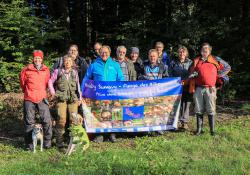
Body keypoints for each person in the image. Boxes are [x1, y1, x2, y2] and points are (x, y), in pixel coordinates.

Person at [81, 45, 124, 142]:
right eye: (102, 52)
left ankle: (112, 134)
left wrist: (119, 88)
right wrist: (82, 90)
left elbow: (121, 78)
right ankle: (99, 134)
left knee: (113, 113)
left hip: (112, 94)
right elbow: (86, 79)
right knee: (99, 113)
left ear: (109, 53)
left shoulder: (115, 65)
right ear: (99, 53)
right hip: (98, 94)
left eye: (106, 53)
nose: (104, 54)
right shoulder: (94, 65)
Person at [189, 43, 231, 136]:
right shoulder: (196, 60)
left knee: (211, 109)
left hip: (210, 88)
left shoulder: (215, 59)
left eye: (206, 50)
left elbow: (228, 67)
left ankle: (212, 131)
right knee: (199, 109)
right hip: (199, 88)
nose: (204, 51)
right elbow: (190, 70)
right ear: (201, 51)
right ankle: (199, 130)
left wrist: (218, 75)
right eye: (203, 50)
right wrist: (194, 73)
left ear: (209, 51)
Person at [20, 50, 52, 150]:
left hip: (42, 97)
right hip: (29, 97)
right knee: (29, 122)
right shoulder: (26, 70)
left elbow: (47, 83)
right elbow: (23, 83)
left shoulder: (46, 70)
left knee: (46, 120)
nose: (37, 60)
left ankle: (47, 143)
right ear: (33, 59)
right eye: (36, 58)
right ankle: (30, 145)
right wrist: (28, 91)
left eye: (39, 58)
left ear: (42, 59)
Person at [48, 54, 82, 151]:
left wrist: (80, 98)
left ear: (72, 63)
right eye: (66, 61)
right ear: (63, 62)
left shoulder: (75, 73)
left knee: (73, 120)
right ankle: (60, 143)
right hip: (61, 99)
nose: (67, 63)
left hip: (73, 99)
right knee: (61, 120)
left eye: (69, 61)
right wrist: (53, 93)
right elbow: (50, 82)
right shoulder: (57, 71)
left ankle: (73, 142)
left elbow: (78, 86)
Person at [169, 46, 193, 130]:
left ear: (186, 53)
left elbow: (192, 74)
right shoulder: (173, 62)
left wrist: (186, 81)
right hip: (176, 87)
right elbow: (170, 74)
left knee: (186, 104)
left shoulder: (190, 62)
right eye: (180, 52)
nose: (182, 54)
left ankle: (184, 122)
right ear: (178, 53)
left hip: (187, 86)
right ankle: (177, 121)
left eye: (183, 52)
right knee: (176, 104)